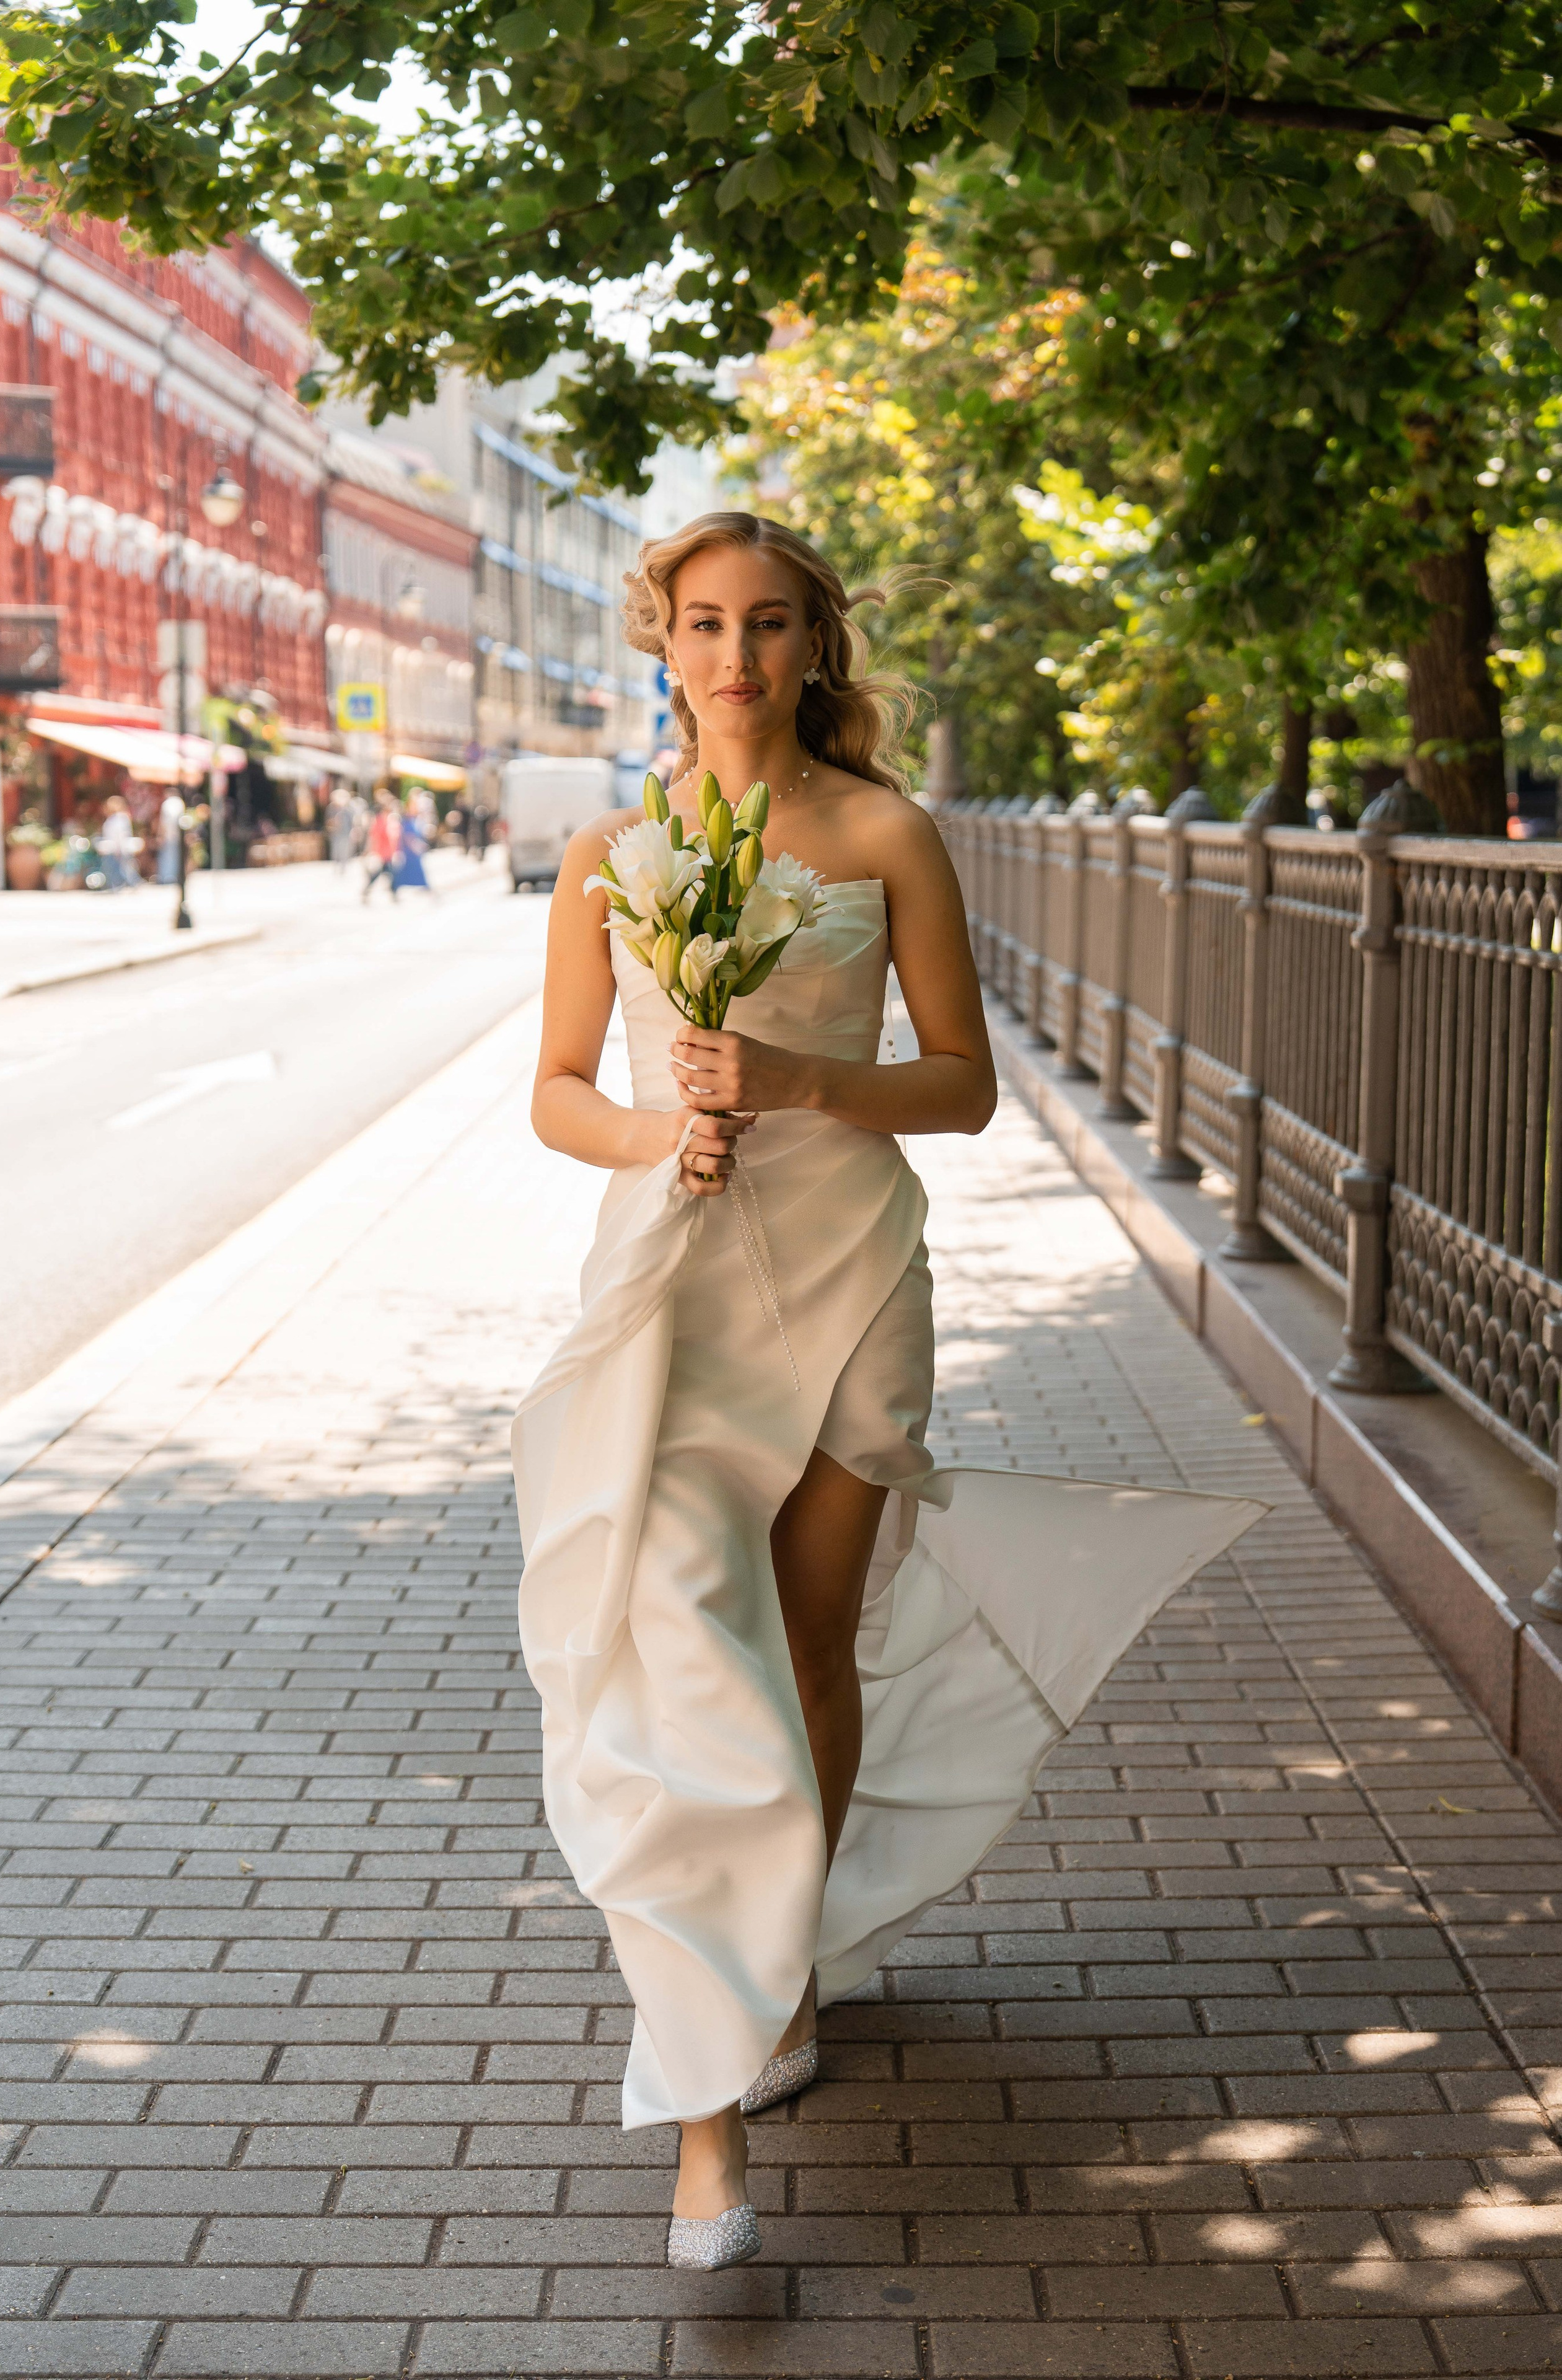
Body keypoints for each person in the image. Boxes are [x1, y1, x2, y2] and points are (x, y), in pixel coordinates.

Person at [517, 512, 1262, 2272]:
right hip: (673, 1287)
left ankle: (781, 1985)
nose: (737, 656)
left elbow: (968, 1085)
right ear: (664, 643)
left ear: (814, 645)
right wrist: (661, 1130)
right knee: (687, 1669)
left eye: (770, 624)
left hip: (851, 1274)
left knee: (810, 1647)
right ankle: (703, 2100)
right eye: (704, 624)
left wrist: (795, 1077)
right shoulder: (611, 848)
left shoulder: (884, 832)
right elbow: (557, 1089)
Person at [361, 790, 402, 901]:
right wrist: (369, 850)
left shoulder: (391, 819)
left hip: (388, 851)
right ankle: (393, 893)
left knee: (386, 873)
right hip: (383, 851)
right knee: (389, 873)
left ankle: (369, 891)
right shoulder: (380, 820)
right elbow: (374, 836)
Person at [392, 792, 434, 894]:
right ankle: (395, 887)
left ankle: (422, 885)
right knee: (405, 869)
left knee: (414, 868)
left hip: (414, 847)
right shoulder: (407, 819)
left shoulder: (416, 818)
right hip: (409, 848)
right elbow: (407, 834)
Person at [96, 794, 139, 891]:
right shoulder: (117, 818)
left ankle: (131, 884)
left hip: (118, 848)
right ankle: (128, 885)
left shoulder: (119, 818)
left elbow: (121, 835)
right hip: (115, 848)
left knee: (123, 868)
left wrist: (119, 848)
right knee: (122, 868)